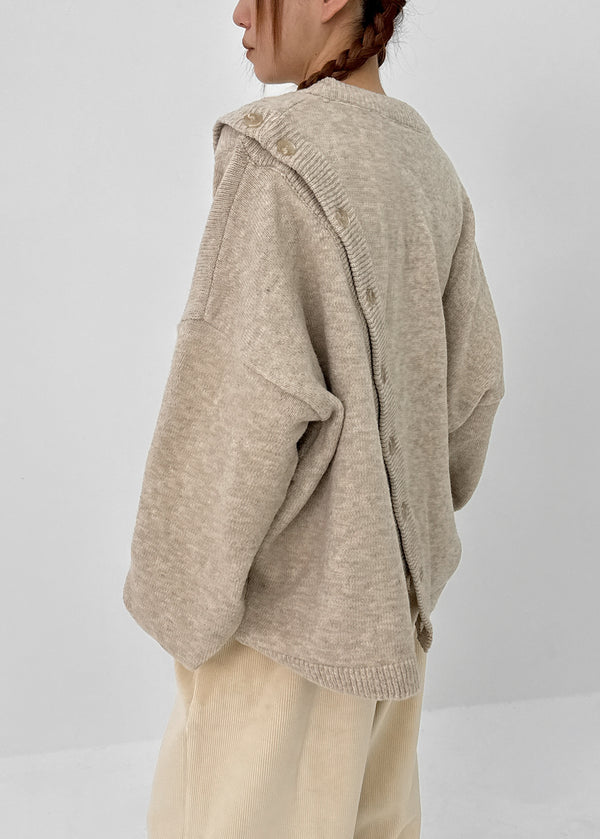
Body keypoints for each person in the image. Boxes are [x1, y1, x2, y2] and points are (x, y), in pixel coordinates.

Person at [122, 0, 506, 837]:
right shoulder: (426, 164)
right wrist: (398, 531)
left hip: (282, 633)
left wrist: (181, 598)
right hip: (390, 633)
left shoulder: (278, 156)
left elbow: (236, 394)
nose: (237, 11)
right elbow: (473, 391)